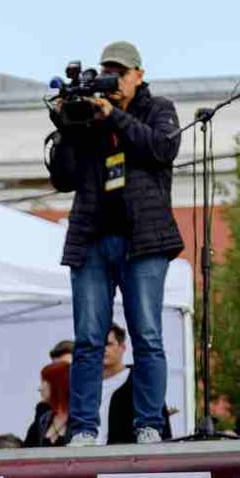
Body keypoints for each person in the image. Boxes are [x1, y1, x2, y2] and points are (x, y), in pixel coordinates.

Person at [45, 41, 182, 447]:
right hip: (91, 239)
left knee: (147, 335)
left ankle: (149, 424)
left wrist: (114, 115)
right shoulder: (90, 114)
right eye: (108, 72)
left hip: (144, 240)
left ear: (139, 74)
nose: (114, 79)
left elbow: (163, 149)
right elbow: (63, 179)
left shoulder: (158, 108)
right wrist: (66, 126)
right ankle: (84, 429)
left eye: (120, 72)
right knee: (88, 339)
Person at [23, 358, 72, 448]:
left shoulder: (81, 420)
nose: (40, 388)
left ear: (57, 384)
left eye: (43, 382)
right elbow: (27, 450)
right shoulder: (43, 419)